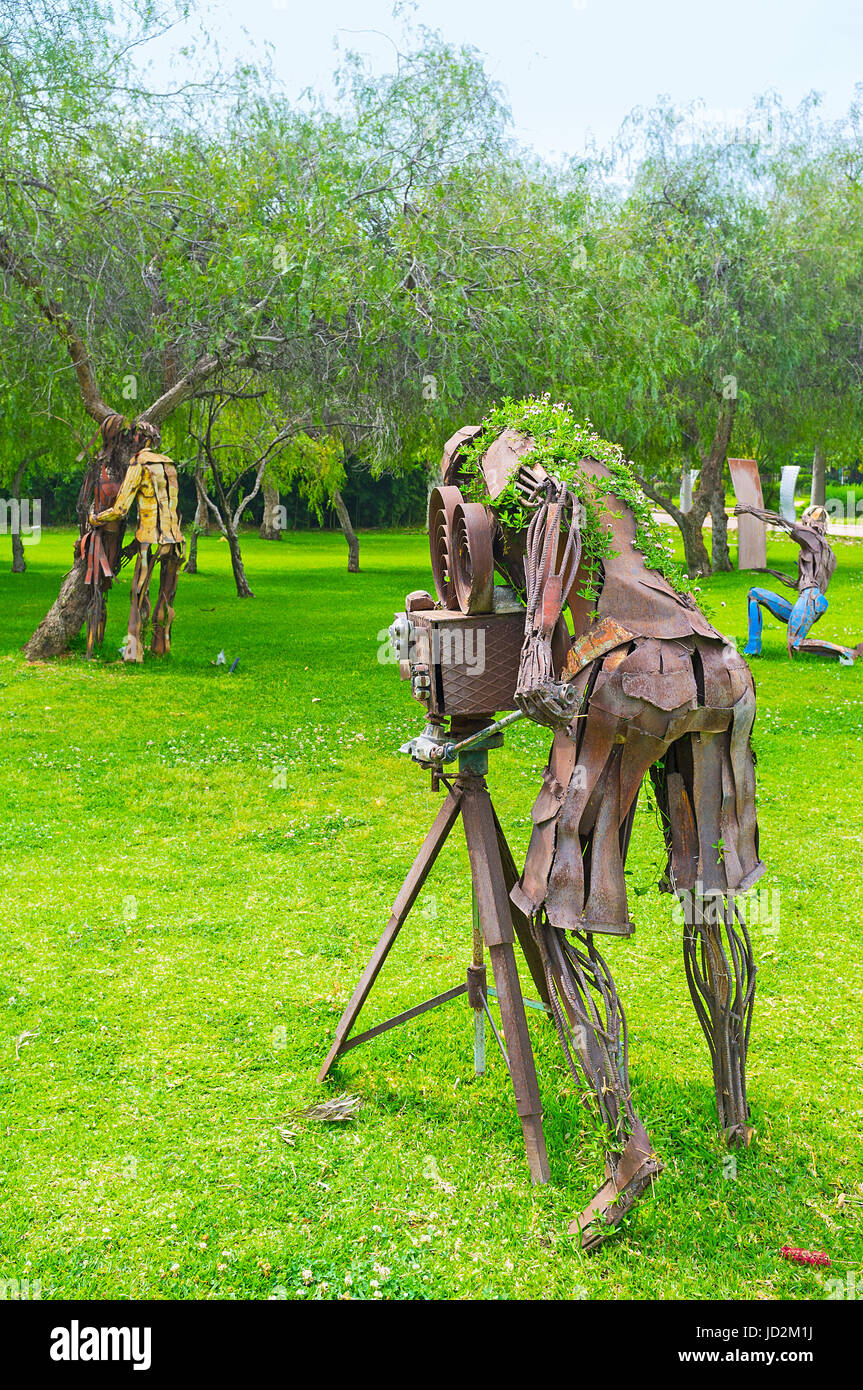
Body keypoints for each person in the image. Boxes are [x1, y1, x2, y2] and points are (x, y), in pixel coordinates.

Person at [88, 421, 185, 662]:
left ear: (141, 441)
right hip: (175, 541)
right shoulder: (169, 464)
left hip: (149, 541)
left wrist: (95, 517)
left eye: (133, 438)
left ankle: (133, 654)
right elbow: (166, 507)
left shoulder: (139, 463)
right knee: (167, 596)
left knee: (138, 594)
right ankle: (161, 650)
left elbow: (120, 509)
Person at [735, 502, 863, 663]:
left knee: (795, 643)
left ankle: (849, 653)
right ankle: (752, 649)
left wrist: (749, 509)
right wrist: (771, 572)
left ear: (810, 520)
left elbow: (780, 521)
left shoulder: (811, 536)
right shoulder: (825, 550)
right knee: (755, 594)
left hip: (809, 600)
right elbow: (803, 582)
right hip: (808, 601)